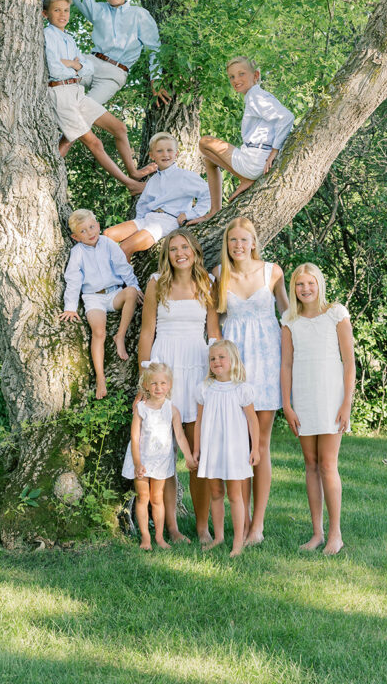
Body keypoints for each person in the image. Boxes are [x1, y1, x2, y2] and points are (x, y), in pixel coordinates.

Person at [137, 229, 220, 544]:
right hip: (165, 368)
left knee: (196, 450)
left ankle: (201, 528)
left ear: (195, 251)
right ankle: (170, 527)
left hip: (196, 366)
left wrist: (215, 374)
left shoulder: (206, 284)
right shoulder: (157, 282)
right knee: (164, 451)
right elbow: (147, 333)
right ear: (167, 254)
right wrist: (145, 377)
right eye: (173, 248)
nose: (179, 253)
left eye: (185, 247)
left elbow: (212, 331)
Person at [213, 217, 287, 545]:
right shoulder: (219, 275)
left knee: (260, 445)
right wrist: (217, 360)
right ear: (227, 244)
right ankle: (240, 525)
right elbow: (213, 321)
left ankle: (257, 526)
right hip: (235, 365)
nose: (238, 246)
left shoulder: (273, 272)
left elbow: (288, 315)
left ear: (254, 242)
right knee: (239, 445)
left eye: (244, 240)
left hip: (267, 362)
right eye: (233, 241)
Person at [43, 0, 154, 193]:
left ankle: (134, 172)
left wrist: (74, 65)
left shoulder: (69, 38)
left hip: (77, 91)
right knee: (94, 143)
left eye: (66, 10)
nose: (62, 14)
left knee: (119, 128)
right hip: (61, 95)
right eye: (57, 10)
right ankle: (130, 185)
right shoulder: (47, 36)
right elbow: (54, 69)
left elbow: (88, 68)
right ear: (45, 14)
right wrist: (75, 65)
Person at [280, 263, 356, 555]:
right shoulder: (289, 319)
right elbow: (286, 364)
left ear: (319, 284)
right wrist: (287, 404)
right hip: (303, 397)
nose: (305, 289)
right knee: (310, 465)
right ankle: (317, 533)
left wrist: (346, 403)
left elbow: (349, 362)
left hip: (330, 397)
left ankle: (336, 534)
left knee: (327, 464)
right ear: (294, 289)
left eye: (310, 283)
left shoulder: (336, 313)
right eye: (300, 285)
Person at [49, 0, 170, 105]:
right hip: (90, 63)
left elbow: (154, 50)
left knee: (85, 110)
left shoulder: (140, 15)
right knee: (52, 80)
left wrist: (156, 81)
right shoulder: (97, 9)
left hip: (114, 73)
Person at [194, 56, 294, 219]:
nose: (236, 80)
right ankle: (215, 210)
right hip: (255, 158)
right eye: (232, 77)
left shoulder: (257, 96)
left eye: (241, 74)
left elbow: (286, 117)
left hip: (255, 161)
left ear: (256, 75)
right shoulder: (256, 96)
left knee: (205, 142)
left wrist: (275, 151)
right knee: (209, 160)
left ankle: (244, 179)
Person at [60, 208, 143, 400]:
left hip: (114, 293)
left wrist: (135, 286)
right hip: (93, 297)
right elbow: (73, 280)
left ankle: (120, 336)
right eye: (83, 231)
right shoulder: (78, 252)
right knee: (98, 332)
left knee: (130, 293)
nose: (90, 233)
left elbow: (123, 267)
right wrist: (70, 307)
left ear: (98, 225)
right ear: (75, 237)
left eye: (91, 227)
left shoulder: (108, 244)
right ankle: (100, 378)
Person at [193, 341, 260, 557]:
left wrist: (255, 448)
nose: (216, 362)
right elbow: (198, 421)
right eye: (212, 358)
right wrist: (197, 449)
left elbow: (252, 420)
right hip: (212, 450)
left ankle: (239, 541)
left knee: (234, 495)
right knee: (215, 493)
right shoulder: (204, 389)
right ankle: (219, 536)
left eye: (221, 357)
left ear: (233, 361)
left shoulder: (241, 389)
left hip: (234, 450)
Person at [122, 362, 197, 551]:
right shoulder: (140, 409)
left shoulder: (172, 410)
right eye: (154, 383)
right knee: (143, 498)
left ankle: (159, 537)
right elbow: (135, 437)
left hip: (161, 461)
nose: (158, 388)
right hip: (142, 459)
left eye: (163, 383)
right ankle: (145, 538)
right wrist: (137, 462)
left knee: (157, 499)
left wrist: (188, 457)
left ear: (169, 385)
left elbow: (179, 436)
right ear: (145, 385)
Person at [104, 132, 211, 258]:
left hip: (167, 222)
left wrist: (190, 214)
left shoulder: (185, 176)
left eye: (169, 150)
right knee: (106, 236)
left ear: (176, 154)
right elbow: (143, 204)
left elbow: (209, 194)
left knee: (125, 247)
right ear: (152, 155)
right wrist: (137, 226)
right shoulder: (153, 180)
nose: (165, 154)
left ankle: (123, 278)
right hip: (147, 219)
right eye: (159, 151)